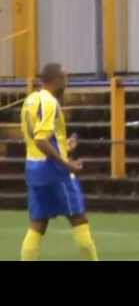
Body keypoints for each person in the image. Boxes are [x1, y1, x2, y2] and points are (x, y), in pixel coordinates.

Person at [20, 63, 99, 261]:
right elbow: (40, 139)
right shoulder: (50, 103)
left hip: (33, 168)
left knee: (38, 223)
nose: (67, 81)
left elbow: (37, 138)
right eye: (65, 77)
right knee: (78, 218)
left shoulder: (30, 100)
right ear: (56, 80)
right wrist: (67, 164)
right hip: (52, 170)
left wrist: (64, 146)